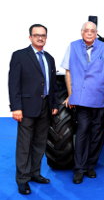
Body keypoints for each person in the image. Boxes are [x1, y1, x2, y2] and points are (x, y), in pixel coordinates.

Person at [61, 21, 104, 184]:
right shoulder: (72, 47)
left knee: (97, 134)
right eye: (86, 30)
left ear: (96, 33)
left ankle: (90, 166)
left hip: (99, 97)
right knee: (82, 133)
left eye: (92, 31)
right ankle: (79, 168)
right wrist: (71, 95)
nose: (89, 33)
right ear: (81, 32)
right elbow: (68, 71)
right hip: (81, 99)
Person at [8, 24, 58, 195]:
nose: (40, 38)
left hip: (45, 107)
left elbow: (52, 85)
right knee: (24, 145)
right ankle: (22, 179)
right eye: (36, 35)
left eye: (43, 35)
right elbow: (13, 84)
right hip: (26, 108)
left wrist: (54, 105)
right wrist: (16, 108)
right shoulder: (20, 56)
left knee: (39, 143)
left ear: (46, 37)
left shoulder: (49, 58)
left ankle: (35, 173)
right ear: (30, 37)